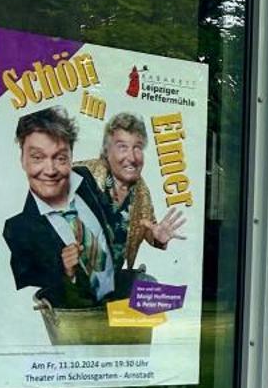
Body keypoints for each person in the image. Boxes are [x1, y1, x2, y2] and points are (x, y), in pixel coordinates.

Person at [2, 105, 119, 309]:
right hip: (81, 324)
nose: (50, 170)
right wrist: (66, 273)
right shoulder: (18, 231)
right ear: (22, 160)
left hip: (120, 305)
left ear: (71, 157)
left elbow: (110, 220)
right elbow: (27, 302)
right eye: (38, 157)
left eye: (60, 158)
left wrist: (150, 234)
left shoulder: (84, 178)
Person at [78, 112, 187, 278]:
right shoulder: (81, 175)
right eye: (123, 147)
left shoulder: (140, 190)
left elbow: (148, 227)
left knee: (148, 286)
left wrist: (158, 238)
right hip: (73, 282)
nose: (132, 157)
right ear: (107, 151)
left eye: (137, 148)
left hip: (111, 280)